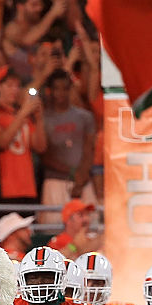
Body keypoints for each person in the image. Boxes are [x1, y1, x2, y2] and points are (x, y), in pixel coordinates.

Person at [40, 69, 97, 221]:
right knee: (52, 228)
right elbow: (44, 155)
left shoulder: (85, 117)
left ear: (71, 89)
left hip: (83, 181)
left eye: (65, 88)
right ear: (49, 91)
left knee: (90, 228)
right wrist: (72, 172)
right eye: (56, 89)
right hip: (55, 182)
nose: (61, 93)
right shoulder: (43, 118)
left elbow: (89, 148)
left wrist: (81, 177)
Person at [0, 68, 46, 205]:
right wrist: (23, 113)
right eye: (9, 85)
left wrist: (39, 119)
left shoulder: (21, 114)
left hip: (28, 187)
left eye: (17, 86)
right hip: (5, 188)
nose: (14, 90)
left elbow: (40, 147)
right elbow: (2, 142)